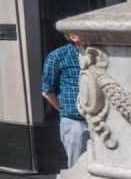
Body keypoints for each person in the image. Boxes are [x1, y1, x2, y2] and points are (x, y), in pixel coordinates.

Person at [42, 31, 87, 167]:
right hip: (75, 122)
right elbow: (47, 90)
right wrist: (64, 109)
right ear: (73, 36)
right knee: (77, 166)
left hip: (99, 122)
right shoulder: (57, 56)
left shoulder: (96, 54)